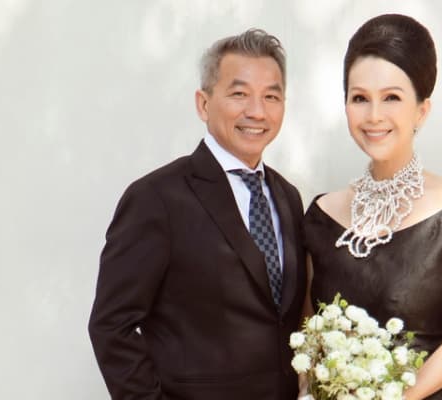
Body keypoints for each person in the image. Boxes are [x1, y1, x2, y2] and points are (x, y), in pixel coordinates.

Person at [88, 29, 306, 400]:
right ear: (203, 104)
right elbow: (111, 325)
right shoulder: (156, 198)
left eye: (271, 96)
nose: (257, 111)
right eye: (239, 94)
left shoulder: (288, 197)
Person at [301, 14, 442, 399]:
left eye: (391, 97)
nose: (374, 116)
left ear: (422, 110)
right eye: (360, 98)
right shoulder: (320, 214)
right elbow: (307, 334)